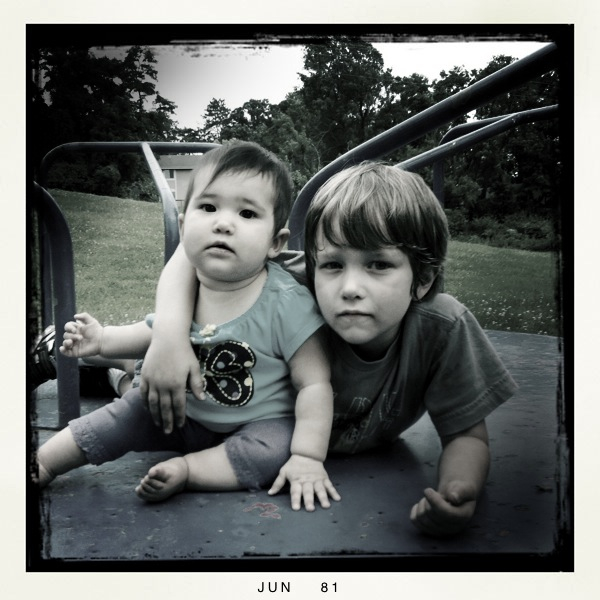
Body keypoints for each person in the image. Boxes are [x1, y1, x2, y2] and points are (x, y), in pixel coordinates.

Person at [140, 161, 518, 537]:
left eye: (378, 264)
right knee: (142, 378)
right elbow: (190, 254)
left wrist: (459, 490)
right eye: (334, 264)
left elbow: (467, 436)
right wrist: (169, 338)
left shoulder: (442, 328)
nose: (350, 287)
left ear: (423, 278)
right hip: (208, 394)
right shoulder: (294, 285)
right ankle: (120, 369)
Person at [34, 141, 341, 512]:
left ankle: (188, 470)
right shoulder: (187, 289)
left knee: (273, 451)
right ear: (183, 226)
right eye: (208, 207)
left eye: (247, 213)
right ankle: (43, 462)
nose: (223, 223)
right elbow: (155, 334)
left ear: (275, 243)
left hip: (258, 422)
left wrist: (308, 455)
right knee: (125, 415)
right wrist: (102, 340)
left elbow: (314, 383)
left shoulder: (287, 303)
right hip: (181, 412)